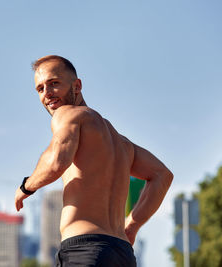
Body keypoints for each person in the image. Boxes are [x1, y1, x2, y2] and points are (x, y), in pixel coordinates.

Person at [14, 55, 173, 266]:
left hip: (84, 251)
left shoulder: (68, 115)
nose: (47, 94)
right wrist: (131, 227)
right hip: (122, 254)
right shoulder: (122, 144)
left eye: (54, 83)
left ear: (77, 85)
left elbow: (57, 161)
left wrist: (26, 187)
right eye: (40, 89)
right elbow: (162, 175)